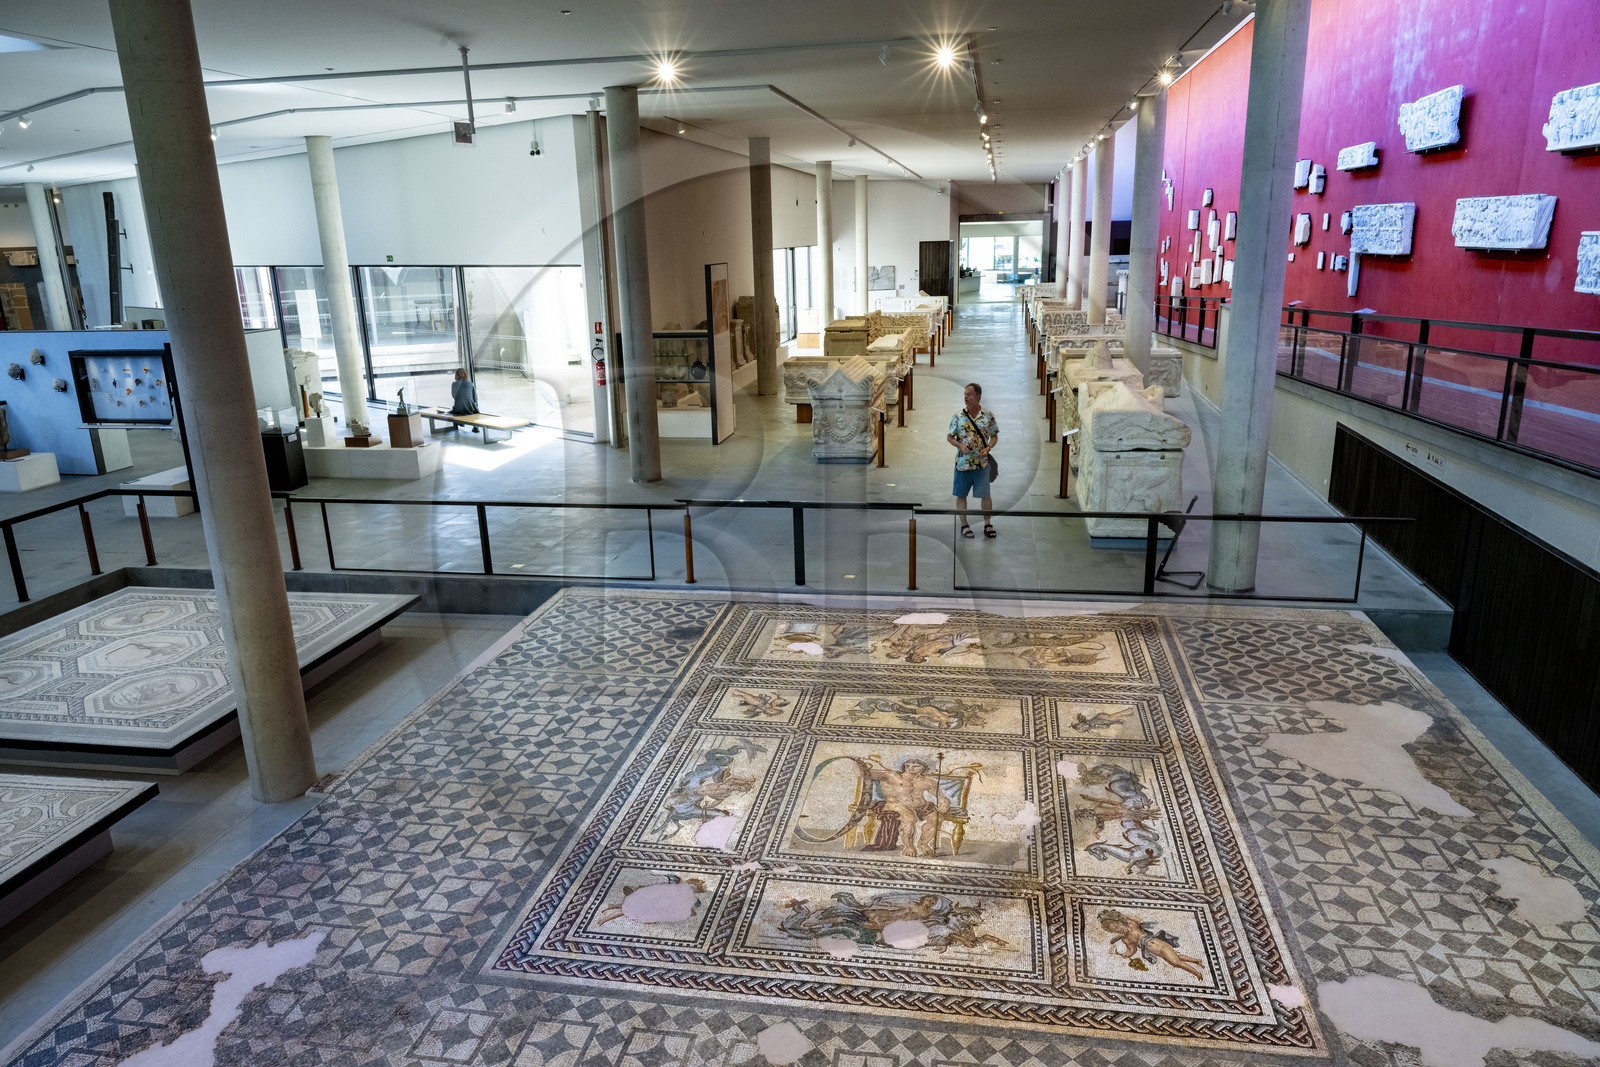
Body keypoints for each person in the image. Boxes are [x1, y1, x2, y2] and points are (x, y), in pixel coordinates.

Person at [947, 382, 998, 538]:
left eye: (969, 394)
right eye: (965, 394)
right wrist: (960, 445)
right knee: (961, 494)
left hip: (982, 463)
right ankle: (964, 524)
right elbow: (949, 437)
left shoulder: (988, 415)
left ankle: (987, 523)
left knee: (985, 495)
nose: (966, 397)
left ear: (978, 397)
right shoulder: (958, 416)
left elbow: (994, 436)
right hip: (963, 463)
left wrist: (988, 448)